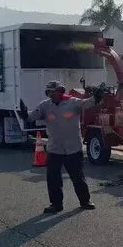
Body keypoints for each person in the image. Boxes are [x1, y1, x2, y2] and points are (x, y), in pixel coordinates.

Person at [19, 80, 106, 214]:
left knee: (77, 177)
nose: (51, 94)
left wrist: (97, 97)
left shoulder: (73, 102)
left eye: (54, 91)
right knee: (53, 178)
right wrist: (24, 114)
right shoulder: (45, 106)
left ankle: (85, 201)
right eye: (49, 92)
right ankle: (56, 204)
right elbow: (31, 117)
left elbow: (87, 103)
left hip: (73, 148)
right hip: (55, 149)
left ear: (61, 91)